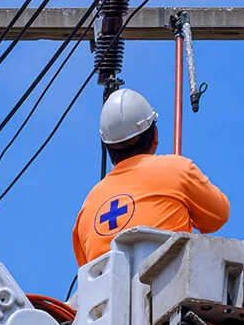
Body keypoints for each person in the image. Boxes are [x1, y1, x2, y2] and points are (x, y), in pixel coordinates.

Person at [72, 88, 230, 266]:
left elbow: (88, 271)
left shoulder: (88, 207)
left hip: (109, 293)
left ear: (108, 148)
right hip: (167, 288)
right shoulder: (177, 170)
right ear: (155, 135)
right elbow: (218, 216)